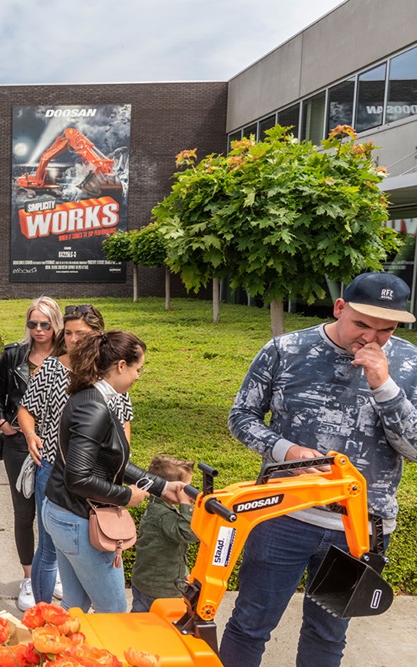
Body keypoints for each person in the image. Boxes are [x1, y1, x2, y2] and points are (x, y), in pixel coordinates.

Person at [219, 271, 417, 667]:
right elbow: (241, 416)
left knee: (327, 635)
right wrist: (287, 451)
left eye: (386, 329)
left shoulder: (409, 363)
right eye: (361, 323)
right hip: (281, 514)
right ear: (339, 307)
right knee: (249, 624)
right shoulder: (286, 349)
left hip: (360, 526)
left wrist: (385, 387)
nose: (371, 338)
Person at [41, 330, 184, 614]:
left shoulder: (91, 396)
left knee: (75, 607)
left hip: (63, 514)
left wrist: (161, 487)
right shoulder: (95, 407)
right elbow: (78, 478)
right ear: (120, 365)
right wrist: (124, 496)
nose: (138, 376)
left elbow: (110, 462)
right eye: (137, 368)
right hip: (78, 521)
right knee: (115, 613)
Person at [18, 304, 115, 605]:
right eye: (69, 333)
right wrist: (31, 434)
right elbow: (25, 409)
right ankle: (41, 618)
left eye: (82, 334)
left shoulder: (110, 372)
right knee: (49, 548)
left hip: (96, 474)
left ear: (99, 335)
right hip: (53, 469)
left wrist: (118, 469)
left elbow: (123, 422)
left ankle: (76, 617)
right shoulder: (52, 367)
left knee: (94, 543)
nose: (74, 339)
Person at [0, 296, 62, 611]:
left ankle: (51, 567)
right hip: (20, 443)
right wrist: (1, 421)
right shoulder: (13, 355)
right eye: (33, 323)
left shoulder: (67, 356)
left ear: (55, 325)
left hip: (58, 445)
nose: (37, 330)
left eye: (44, 324)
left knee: (55, 513)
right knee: (24, 513)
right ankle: (28, 576)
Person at [130, 455, 197, 613]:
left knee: (139, 625)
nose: (190, 493)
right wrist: (185, 505)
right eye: (186, 488)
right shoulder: (164, 516)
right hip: (163, 590)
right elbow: (189, 534)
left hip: (143, 583)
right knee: (163, 629)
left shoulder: (156, 507)